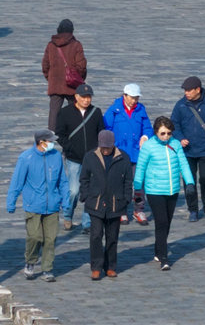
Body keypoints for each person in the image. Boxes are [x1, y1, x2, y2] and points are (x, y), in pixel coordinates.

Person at [5, 128, 68, 282]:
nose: (53, 143)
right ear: (42, 142)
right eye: (50, 141)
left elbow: (63, 181)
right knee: (35, 237)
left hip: (52, 205)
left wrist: (66, 202)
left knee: (50, 238)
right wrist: (11, 202)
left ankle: (47, 268)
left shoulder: (56, 156)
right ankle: (31, 261)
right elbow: (17, 181)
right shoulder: (26, 158)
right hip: (33, 205)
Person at [134, 116, 195, 270]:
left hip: (172, 189)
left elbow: (183, 164)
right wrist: (137, 187)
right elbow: (140, 167)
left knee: (166, 222)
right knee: (161, 222)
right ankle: (164, 257)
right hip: (154, 190)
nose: (166, 136)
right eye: (163, 133)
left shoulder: (175, 144)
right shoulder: (148, 146)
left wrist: (190, 183)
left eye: (168, 133)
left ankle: (158, 248)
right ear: (156, 132)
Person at [171, 75, 205, 223]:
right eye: (185, 90)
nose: (186, 93)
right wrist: (179, 138)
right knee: (190, 181)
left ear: (198, 90)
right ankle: (193, 209)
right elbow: (174, 125)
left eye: (189, 90)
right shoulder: (181, 105)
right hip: (187, 151)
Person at [78, 130, 131, 280]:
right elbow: (84, 179)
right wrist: (86, 197)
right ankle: (96, 266)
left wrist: (127, 198)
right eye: (103, 147)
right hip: (95, 203)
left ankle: (110, 266)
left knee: (112, 236)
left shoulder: (123, 157)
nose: (106, 150)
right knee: (95, 236)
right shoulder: (90, 157)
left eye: (108, 147)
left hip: (116, 203)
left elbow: (128, 180)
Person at [55, 83, 103, 232]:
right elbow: (59, 134)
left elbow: (101, 132)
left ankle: (87, 222)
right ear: (76, 97)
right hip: (73, 158)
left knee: (90, 190)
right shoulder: (65, 113)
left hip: (92, 158)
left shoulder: (96, 112)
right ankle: (68, 215)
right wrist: (69, 148)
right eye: (83, 97)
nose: (86, 100)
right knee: (74, 190)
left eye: (89, 97)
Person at [102, 83, 153, 224]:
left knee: (138, 183)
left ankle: (139, 209)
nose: (135, 100)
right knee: (120, 183)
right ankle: (121, 210)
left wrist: (145, 137)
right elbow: (106, 129)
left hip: (137, 153)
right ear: (125, 96)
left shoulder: (141, 110)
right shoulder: (114, 110)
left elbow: (148, 128)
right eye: (132, 97)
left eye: (137, 97)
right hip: (119, 153)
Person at [42, 19, 87, 129]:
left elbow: (45, 65)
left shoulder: (51, 45)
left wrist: (51, 79)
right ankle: (73, 131)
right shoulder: (76, 45)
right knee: (74, 110)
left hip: (55, 83)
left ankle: (51, 135)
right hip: (72, 84)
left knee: (54, 111)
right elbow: (81, 66)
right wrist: (78, 79)